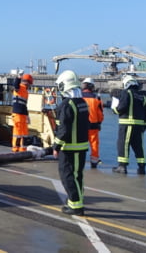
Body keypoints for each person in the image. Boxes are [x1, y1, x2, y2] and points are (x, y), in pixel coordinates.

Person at [53, 70, 90, 216]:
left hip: (69, 148)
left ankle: (76, 206)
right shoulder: (83, 103)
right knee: (77, 175)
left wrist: (56, 146)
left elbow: (63, 129)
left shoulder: (66, 105)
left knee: (67, 175)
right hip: (81, 146)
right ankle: (75, 201)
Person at [111, 75, 146, 175]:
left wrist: (114, 110)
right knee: (139, 146)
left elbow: (122, 106)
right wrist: (145, 125)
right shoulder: (142, 96)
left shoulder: (126, 93)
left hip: (127, 124)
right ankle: (142, 168)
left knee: (123, 145)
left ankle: (122, 166)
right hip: (139, 126)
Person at [81, 77, 104, 169]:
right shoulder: (96, 98)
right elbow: (100, 113)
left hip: (81, 124)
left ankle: (80, 160)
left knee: (80, 143)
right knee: (94, 144)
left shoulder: (79, 96)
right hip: (93, 124)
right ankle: (94, 162)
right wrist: (99, 123)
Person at [10, 72, 33, 152]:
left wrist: (27, 115)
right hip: (17, 114)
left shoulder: (26, 92)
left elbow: (24, 105)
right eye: (29, 83)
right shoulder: (19, 88)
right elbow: (15, 85)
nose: (30, 85)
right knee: (18, 132)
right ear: (27, 82)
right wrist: (18, 77)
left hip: (23, 114)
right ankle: (15, 148)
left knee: (24, 132)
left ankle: (23, 148)